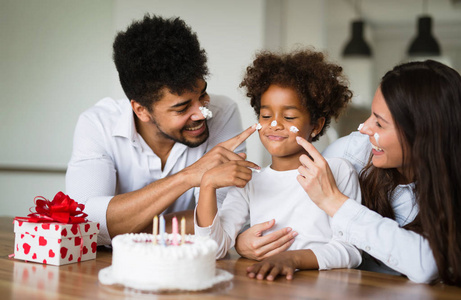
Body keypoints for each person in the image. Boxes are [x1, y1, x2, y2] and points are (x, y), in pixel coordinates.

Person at [243, 60, 461, 286]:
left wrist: (335, 202)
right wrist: (244, 242)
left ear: (421, 136)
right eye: (371, 116)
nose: (364, 128)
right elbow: (302, 223)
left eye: (380, 123)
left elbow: (426, 264)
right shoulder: (350, 152)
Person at [65, 14, 254, 246]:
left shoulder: (224, 113)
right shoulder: (98, 124)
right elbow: (82, 221)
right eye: (182, 107)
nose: (202, 113)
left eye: (202, 94)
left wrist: (121, 226)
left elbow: (221, 222)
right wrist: (188, 177)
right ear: (141, 110)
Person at [195, 49, 362, 278]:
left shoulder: (336, 170)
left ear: (316, 125)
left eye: (289, 117)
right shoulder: (249, 180)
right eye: (265, 116)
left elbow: (351, 250)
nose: (274, 124)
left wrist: (292, 258)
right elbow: (212, 249)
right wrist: (207, 185)